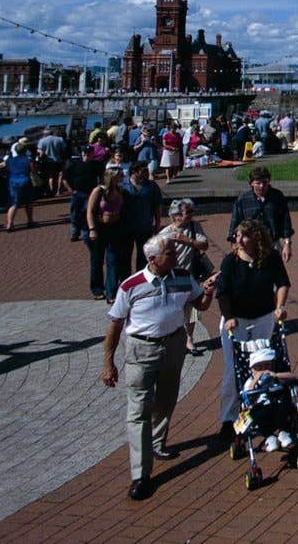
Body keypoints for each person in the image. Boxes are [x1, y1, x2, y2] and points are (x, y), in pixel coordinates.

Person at [99, 234, 214, 501]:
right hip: (142, 349)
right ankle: (140, 475)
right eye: (170, 254)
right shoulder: (131, 285)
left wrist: (208, 290)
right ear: (153, 259)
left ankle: (158, 443)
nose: (176, 257)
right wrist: (108, 363)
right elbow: (115, 324)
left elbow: (201, 304)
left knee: (166, 399)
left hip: (173, 346)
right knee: (139, 410)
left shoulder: (183, 276)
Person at [214, 218, 291, 437]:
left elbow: (283, 283)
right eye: (237, 236)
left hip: (263, 318)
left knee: (263, 367)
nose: (238, 240)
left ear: (256, 238)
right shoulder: (230, 262)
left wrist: (280, 306)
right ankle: (229, 418)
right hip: (236, 322)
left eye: (243, 236)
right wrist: (228, 316)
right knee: (233, 370)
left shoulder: (270, 258)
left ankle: (264, 411)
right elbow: (223, 293)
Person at [159, 199, 212, 356]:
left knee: (191, 310)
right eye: (186, 212)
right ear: (175, 216)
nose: (191, 215)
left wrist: (188, 241)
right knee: (173, 310)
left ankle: (189, 339)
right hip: (172, 277)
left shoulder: (195, 227)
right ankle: (173, 339)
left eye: (191, 211)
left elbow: (204, 245)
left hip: (191, 275)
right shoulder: (165, 234)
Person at [228, 167, 294, 262]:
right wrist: (234, 245)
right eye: (258, 183)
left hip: (272, 244)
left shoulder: (277, 197)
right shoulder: (243, 200)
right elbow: (235, 225)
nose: (262, 186)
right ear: (251, 183)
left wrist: (287, 244)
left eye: (264, 182)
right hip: (249, 245)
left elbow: (286, 222)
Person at [242, 347, 298, 452]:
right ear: (252, 369)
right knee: (256, 415)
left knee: (285, 406)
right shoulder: (250, 381)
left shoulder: (276, 377)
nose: (264, 370)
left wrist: (276, 375)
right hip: (261, 409)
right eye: (259, 367)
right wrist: (256, 380)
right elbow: (248, 394)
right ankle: (270, 437)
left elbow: (294, 378)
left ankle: (284, 432)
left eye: (267, 366)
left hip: (277, 406)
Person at [87, 166, 127, 302]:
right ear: (112, 176)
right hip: (100, 228)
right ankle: (97, 288)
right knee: (97, 259)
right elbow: (90, 211)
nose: (122, 177)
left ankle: (111, 292)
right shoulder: (98, 190)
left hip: (115, 228)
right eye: (120, 175)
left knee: (113, 259)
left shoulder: (119, 190)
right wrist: (92, 228)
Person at [120, 164, 165, 274]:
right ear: (134, 172)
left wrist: (158, 224)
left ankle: (141, 277)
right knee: (125, 255)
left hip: (145, 226)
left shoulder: (151, 186)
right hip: (126, 228)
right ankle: (126, 279)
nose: (147, 173)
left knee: (144, 254)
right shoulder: (122, 186)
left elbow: (157, 206)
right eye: (144, 170)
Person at [0, 138, 38, 232]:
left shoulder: (9, 160)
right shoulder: (28, 159)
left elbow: (6, 168)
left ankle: (10, 224)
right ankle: (30, 221)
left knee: (14, 203)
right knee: (28, 202)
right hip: (25, 180)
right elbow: (33, 171)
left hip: (13, 181)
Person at [37, 126, 68, 196]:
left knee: (50, 176)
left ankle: (50, 191)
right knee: (60, 175)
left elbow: (40, 151)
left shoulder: (42, 141)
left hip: (48, 161)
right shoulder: (60, 139)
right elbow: (64, 149)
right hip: (58, 160)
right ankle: (58, 191)